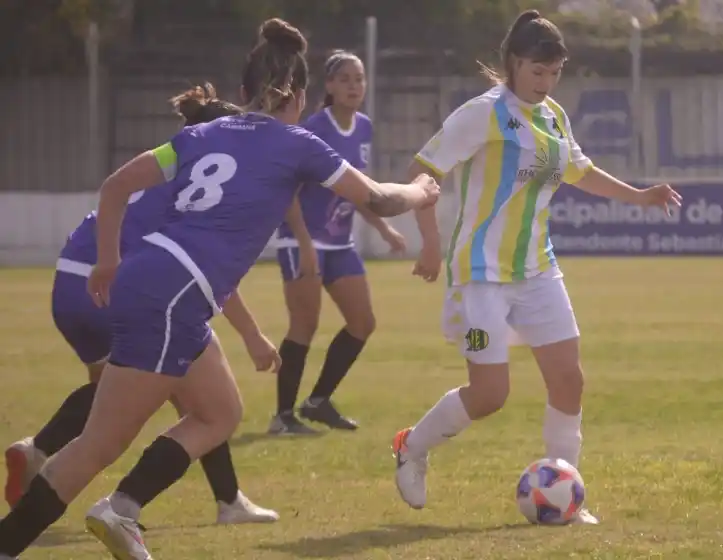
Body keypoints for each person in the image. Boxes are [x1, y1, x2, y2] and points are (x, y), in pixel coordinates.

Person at [0, 17, 439, 560]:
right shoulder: (297, 143)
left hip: (159, 282)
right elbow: (379, 198)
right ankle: (81, 521)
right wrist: (421, 190)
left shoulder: (200, 134)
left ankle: (123, 508)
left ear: (242, 90)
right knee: (99, 444)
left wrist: (109, 262)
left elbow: (115, 187)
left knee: (219, 413)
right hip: (173, 295)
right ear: (299, 96)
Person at [391, 10, 682, 523]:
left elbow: (581, 171)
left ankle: (566, 492)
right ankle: (412, 447)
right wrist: (430, 242)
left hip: (538, 271)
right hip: (481, 276)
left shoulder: (553, 117)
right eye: (536, 71)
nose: (545, 82)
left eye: (555, 72)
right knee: (490, 394)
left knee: (569, 380)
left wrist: (640, 196)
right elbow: (422, 171)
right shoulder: (482, 113)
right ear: (512, 63)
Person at [4, 84, 279, 526]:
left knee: (126, 392)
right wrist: (252, 335)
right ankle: (145, 506)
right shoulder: (200, 192)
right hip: (116, 289)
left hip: (70, 286)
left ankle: (37, 450)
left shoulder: (156, 166)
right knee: (195, 392)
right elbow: (204, 273)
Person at [270, 50, 406, 435]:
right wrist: (304, 244)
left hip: (339, 243)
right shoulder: (314, 129)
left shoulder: (363, 128)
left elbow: (357, 189)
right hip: (301, 240)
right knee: (304, 324)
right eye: (344, 79)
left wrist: (383, 229)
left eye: (359, 79)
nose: (353, 86)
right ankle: (282, 417)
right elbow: (288, 190)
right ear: (329, 85)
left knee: (362, 323)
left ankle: (317, 402)